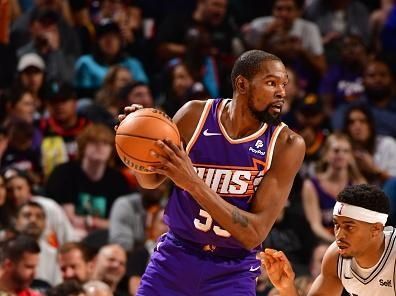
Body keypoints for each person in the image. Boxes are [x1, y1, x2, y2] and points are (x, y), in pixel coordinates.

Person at [118, 50, 305, 295]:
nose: (281, 92)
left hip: (233, 270)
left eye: (284, 84)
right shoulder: (194, 116)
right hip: (175, 256)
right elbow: (151, 180)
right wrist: (138, 146)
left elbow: (253, 234)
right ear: (242, 84)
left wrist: (193, 183)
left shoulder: (286, 145)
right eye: (271, 83)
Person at [261, 184, 394, 296]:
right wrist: (287, 287)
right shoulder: (335, 256)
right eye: (337, 225)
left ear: (376, 229)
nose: (339, 235)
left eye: (349, 227)